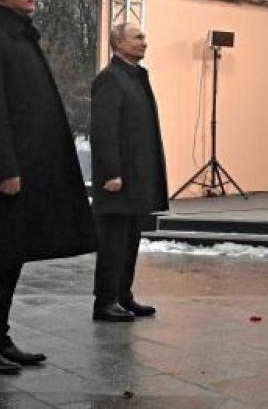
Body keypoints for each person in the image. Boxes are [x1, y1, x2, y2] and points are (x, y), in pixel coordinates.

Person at [0, 0, 95, 375]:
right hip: (0, 174)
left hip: (26, 168)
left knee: (10, 256)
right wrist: (3, 169)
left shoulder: (16, 38)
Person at [90, 22, 169, 322]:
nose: (144, 42)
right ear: (118, 43)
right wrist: (111, 172)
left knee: (130, 239)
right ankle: (105, 301)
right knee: (113, 242)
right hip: (118, 179)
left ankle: (123, 296)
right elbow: (104, 130)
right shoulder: (110, 79)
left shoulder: (135, 77)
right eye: (137, 38)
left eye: (144, 37)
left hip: (137, 178)